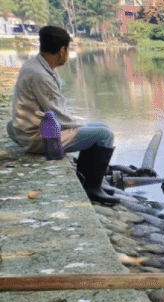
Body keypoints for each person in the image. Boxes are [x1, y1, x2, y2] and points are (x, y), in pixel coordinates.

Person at [7, 25, 119, 204]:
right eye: (68, 49)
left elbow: (56, 111)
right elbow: (59, 116)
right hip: (39, 136)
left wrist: (80, 124)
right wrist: (81, 125)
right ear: (62, 51)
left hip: (34, 128)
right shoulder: (40, 75)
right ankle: (92, 188)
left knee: (101, 127)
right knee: (105, 134)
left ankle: (88, 179)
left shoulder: (35, 64)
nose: (67, 53)